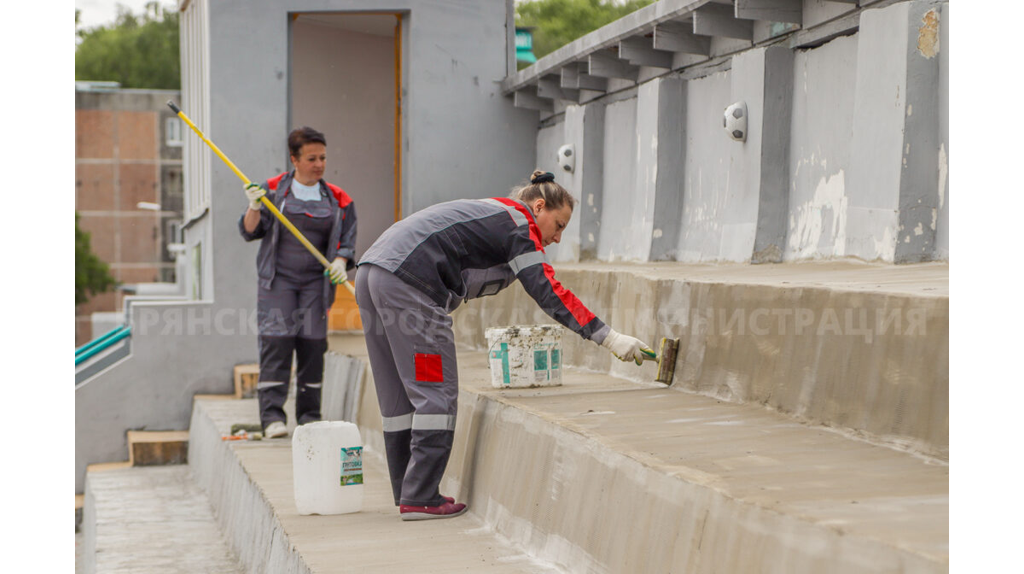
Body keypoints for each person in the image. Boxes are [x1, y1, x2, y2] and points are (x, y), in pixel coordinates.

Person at [355, 170, 654, 521]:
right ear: (539, 207)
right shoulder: (519, 226)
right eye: (558, 225)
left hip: (372, 273)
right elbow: (548, 291)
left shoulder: (493, 213)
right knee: (435, 391)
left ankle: (407, 490)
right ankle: (421, 496)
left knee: (398, 394)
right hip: (409, 282)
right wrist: (610, 337)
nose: (557, 238)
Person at [238, 127, 357, 439]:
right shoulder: (273, 191)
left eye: (323, 158)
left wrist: (341, 262)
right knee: (277, 343)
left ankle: (308, 417)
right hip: (278, 283)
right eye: (311, 158)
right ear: (294, 159)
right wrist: (254, 206)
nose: (319, 164)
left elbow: (347, 239)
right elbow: (250, 232)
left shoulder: (339, 199)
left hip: (316, 285)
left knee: (312, 345)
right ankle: (272, 418)